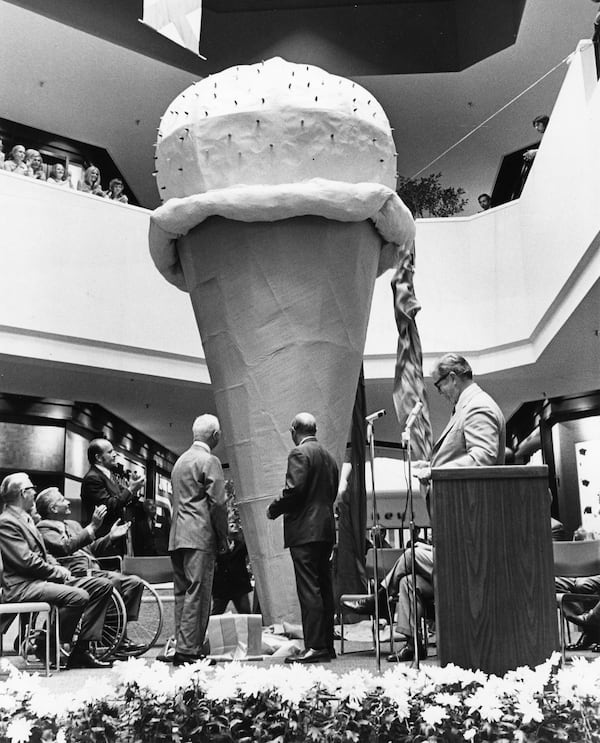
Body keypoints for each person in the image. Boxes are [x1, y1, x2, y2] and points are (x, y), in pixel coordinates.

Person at [346, 353, 506, 663]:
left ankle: (379, 598)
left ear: (453, 378)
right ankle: (412, 644)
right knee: (408, 581)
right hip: (463, 528)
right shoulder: (468, 408)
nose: (439, 391)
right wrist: (431, 465)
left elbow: (482, 459)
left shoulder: (478, 408)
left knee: (412, 553)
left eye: (438, 385)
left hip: (475, 535)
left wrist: (435, 472)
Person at [0, 473, 114, 669]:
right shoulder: (7, 521)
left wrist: (57, 567)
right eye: (31, 488)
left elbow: (41, 554)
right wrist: (56, 571)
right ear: (22, 493)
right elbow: (25, 561)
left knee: (103, 585)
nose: (35, 492)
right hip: (23, 585)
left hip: (41, 581)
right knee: (77, 597)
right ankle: (47, 643)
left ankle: (81, 650)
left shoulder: (25, 518)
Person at [267, 412, 340, 664]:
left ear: (293, 430)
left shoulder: (299, 454)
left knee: (309, 589)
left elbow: (294, 490)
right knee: (324, 587)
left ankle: (315, 646)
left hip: (305, 531)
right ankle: (327, 645)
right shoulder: (330, 457)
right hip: (325, 529)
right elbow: (331, 493)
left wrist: (274, 508)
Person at [35, 486, 145, 652]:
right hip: (74, 574)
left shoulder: (72, 524)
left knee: (135, 582)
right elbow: (65, 547)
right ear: (53, 508)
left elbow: (91, 549)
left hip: (94, 571)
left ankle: (115, 633)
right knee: (112, 582)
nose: (67, 502)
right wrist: (92, 526)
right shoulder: (44, 529)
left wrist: (110, 537)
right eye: (62, 500)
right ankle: (112, 638)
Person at [167, 414, 228, 666]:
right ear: (215, 435)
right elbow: (218, 504)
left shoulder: (179, 462)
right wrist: (223, 537)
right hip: (199, 536)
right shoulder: (209, 460)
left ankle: (182, 646)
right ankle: (190, 651)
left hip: (177, 536)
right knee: (199, 593)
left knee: (182, 593)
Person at [80, 438, 145, 551]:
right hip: (103, 538)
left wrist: (133, 489)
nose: (115, 454)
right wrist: (130, 488)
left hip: (116, 538)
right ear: (98, 457)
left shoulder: (110, 475)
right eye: (110, 452)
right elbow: (108, 505)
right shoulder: (93, 478)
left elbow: (124, 499)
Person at [212, 491, 253, 615]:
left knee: (246, 615)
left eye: (234, 522)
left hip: (238, 585)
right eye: (229, 522)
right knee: (215, 615)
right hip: (221, 586)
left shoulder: (240, 541)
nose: (232, 525)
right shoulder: (216, 541)